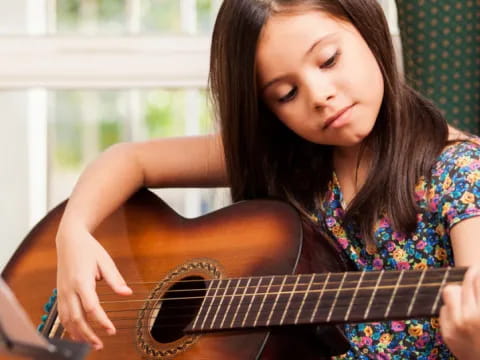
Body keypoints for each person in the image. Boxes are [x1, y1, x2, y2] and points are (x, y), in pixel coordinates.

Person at [55, 0, 480, 358]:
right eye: (286, 94)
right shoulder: (286, 156)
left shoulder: (459, 173)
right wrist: (73, 232)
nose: (319, 95)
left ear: (369, 28)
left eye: (329, 59)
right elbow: (129, 159)